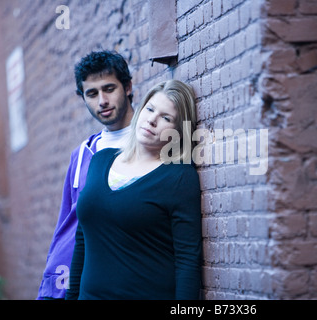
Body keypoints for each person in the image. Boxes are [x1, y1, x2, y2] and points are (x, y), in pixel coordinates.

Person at [65, 79, 202, 300]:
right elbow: (82, 240)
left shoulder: (179, 177)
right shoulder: (100, 160)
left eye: (166, 118)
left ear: (178, 131)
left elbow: (187, 260)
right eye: (150, 109)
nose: (152, 120)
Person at [37, 50, 135, 300]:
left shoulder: (153, 141)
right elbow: (68, 225)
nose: (102, 100)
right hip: (91, 285)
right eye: (91, 94)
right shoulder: (82, 155)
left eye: (109, 88)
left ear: (128, 87)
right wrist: (53, 286)